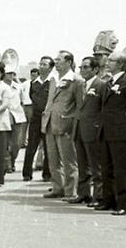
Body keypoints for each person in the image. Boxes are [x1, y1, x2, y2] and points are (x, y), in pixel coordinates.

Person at [95, 52, 126, 215]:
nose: (107, 62)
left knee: (121, 169)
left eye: (112, 60)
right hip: (106, 131)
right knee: (106, 168)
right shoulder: (109, 82)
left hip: (121, 132)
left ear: (121, 64)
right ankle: (109, 200)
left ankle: (124, 204)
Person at [41, 50, 84, 200]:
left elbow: (80, 106)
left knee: (68, 160)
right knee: (53, 159)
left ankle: (71, 191)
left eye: (59, 60)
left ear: (69, 62)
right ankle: (58, 187)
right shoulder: (53, 79)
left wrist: (73, 125)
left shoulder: (77, 81)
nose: (56, 62)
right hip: (50, 123)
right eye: (55, 60)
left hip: (65, 125)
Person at [71, 56, 104, 205]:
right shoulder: (81, 85)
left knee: (96, 165)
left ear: (95, 69)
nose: (82, 70)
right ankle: (83, 194)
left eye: (86, 67)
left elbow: (103, 109)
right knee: (82, 164)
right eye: (81, 67)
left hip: (93, 130)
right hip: (79, 129)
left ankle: (99, 196)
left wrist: (98, 128)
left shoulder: (101, 85)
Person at [22, 57, 54, 181]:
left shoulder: (52, 82)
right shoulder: (33, 83)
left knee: (48, 147)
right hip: (35, 118)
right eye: (40, 64)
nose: (41, 66)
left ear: (51, 68)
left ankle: (47, 174)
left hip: (48, 118)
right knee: (31, 146)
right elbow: (31, 98)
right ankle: (27, 173)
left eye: (45, 64)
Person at [3, 69, 27, 174]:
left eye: (12, 73)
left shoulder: (18, 87)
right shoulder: (0, 86)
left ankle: (12, 161)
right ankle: (7, 164)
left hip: (17, 117)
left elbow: (23, 101)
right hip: (3, 117)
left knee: (16, 143)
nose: (11, 75)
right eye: (8, 73)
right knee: (4, 142)